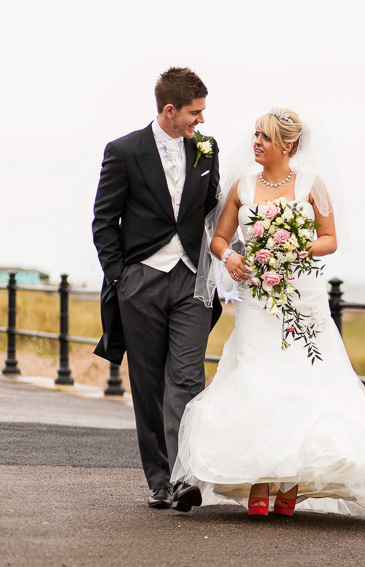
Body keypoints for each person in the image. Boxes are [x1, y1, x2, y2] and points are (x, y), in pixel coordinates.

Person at [171, 108, 365, 521]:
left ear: (287, 144)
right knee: (255, 377)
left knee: (305, 383)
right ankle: (259, 482)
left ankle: (291, 484)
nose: (256, 143)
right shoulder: (243, 186)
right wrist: (230, 258)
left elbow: (330, 239)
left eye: (264, 137)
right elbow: (220, 237)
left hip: (302, 298)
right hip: (256, 301)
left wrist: (296, 250)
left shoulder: (313, 185)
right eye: (256, 136)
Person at [92, 67, 222, 511]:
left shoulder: (207, 150)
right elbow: (104, 222)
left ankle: (187, 475)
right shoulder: (124, 151)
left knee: (187, 377)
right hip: (140, 282)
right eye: (194, 112)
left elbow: (212, 213)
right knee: (148, 384)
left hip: (191, 280)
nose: (200, 121)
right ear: (169, 110)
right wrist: (120, 277)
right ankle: (160, 480)